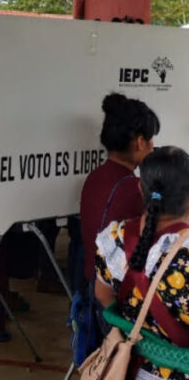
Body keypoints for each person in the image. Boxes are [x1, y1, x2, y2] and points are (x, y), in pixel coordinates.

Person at [94, 146, 189, 380]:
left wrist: (139, 328)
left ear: (141, 188)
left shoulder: (114, 237)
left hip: (126, 368)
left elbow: (103, 294)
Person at [73, 93, 158, 353]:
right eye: (151, 139)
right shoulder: (133, 188)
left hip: (90, 285)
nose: (153, 146)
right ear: (139, 141)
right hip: (113, 296)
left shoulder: (95, 177)